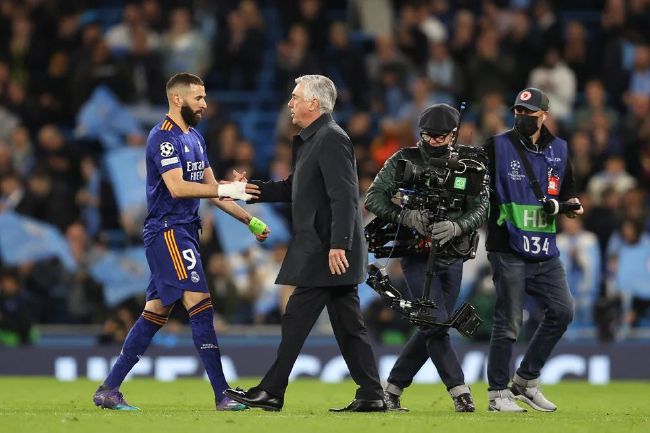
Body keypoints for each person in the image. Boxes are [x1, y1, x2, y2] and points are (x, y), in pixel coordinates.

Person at [92, 72, 269, 411]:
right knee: (200, 303)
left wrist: (250, 220)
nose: (204, 104)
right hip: (168, 230)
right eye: (199, 98)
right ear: (178, 99)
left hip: (185, 231)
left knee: (155, 312)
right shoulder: (163, 138)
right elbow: (177, 187)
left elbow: (215, 190)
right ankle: (222, 394)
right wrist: (223, 189)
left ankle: (109, 389)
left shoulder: (197, 139)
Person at [224, 74, 386, 412]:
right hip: (325, 247)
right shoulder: (315, 139)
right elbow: (292, 187)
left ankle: (271, 390)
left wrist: (338, 245)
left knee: (298, 315)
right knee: (348, 326)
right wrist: (246, 190)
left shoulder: (330, 138)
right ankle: (371, 394)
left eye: (296, 97)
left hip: (327, 249)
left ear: (314, 103)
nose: (290, 103)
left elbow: (344, 197)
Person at [364, 104, 489, 412]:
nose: (433, 141)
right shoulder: (404, 159)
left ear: (453, 135)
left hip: (455, 253)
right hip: (417, 255)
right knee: (435, 321)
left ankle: (390, 390)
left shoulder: (469, 163)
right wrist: (406, 216)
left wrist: (458, 224)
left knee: (433, 324)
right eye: (428, 136)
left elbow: (483, 205)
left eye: (440, 137)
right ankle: (460, 392)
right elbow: (374, 198)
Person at [484, 87, 583, 412]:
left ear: (544, 115)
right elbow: (476, 188)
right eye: (519, 112)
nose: (523, 117)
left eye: (529, 112)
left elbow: (568, 193)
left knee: (563, 310)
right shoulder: (497, 146)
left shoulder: (560, 150)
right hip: (507, 246)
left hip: (544, 247)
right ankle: (498, 394)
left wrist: (569, 206)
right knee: (509, 320)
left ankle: (525, 381)